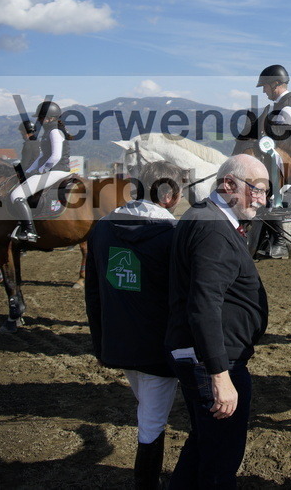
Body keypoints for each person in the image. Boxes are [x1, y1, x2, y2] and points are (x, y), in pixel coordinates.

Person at [165, 154, 270, 489]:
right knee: (221, 460)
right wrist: (220, 375)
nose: (262, 200)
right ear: (228, 184)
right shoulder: (212, 230)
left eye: (266, 192)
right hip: (214, 361)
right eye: (257, 190)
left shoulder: (207, 216)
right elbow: (204, 305)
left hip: (206, 356)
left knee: (204, 445)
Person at [84, 160, 189, 490]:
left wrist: (100, 344)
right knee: (152, 420)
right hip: (158, 350)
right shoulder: (174, 235)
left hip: (118, 343)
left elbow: (93, 294)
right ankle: (146, 483)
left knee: (147, 407)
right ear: (169, 196)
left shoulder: (100, 229)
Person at [253, 64, 291, 258]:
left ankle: (280, 243)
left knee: (274, 195)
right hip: (275, 158)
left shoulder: (289, 107)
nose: (264, 91)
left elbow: (283, 140)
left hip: (287, 162)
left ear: (275, 84)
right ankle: (264, 240)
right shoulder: (275, 106)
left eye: (265, 87)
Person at [9, 100, 74, 243]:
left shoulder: (55, 131)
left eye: (40, 117)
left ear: (49, 117)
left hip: (57, 171)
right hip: (54, 170)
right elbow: (41, 156)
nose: (38, 120)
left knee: (16, 195)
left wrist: (40, 171)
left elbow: (55, 156)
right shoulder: (49, 131)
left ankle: (29, 231)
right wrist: (29, 170)